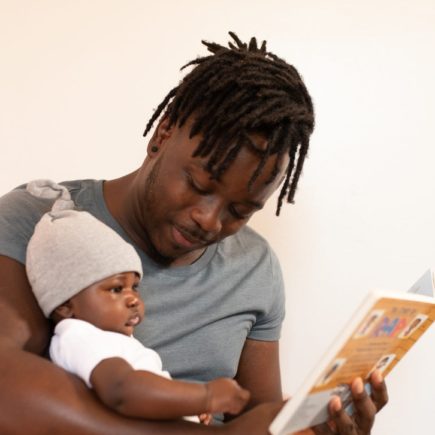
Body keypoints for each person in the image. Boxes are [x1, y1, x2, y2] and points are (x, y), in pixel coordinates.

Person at [0, 32, 388, 434]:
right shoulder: (42, 220)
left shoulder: (255, 267)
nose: (209, 220)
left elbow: (255, 419)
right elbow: (6, 389)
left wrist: (311, 427)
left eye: (240, 210)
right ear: (162, 135)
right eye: (200, 185)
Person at [24, 179, 250, 424]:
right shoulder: (79, 338)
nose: (132, 298)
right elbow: (122, 391)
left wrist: (184, 411)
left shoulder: (109, 339)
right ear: (66, 305)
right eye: (117, 288)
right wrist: (203, 396)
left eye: (135, 287)